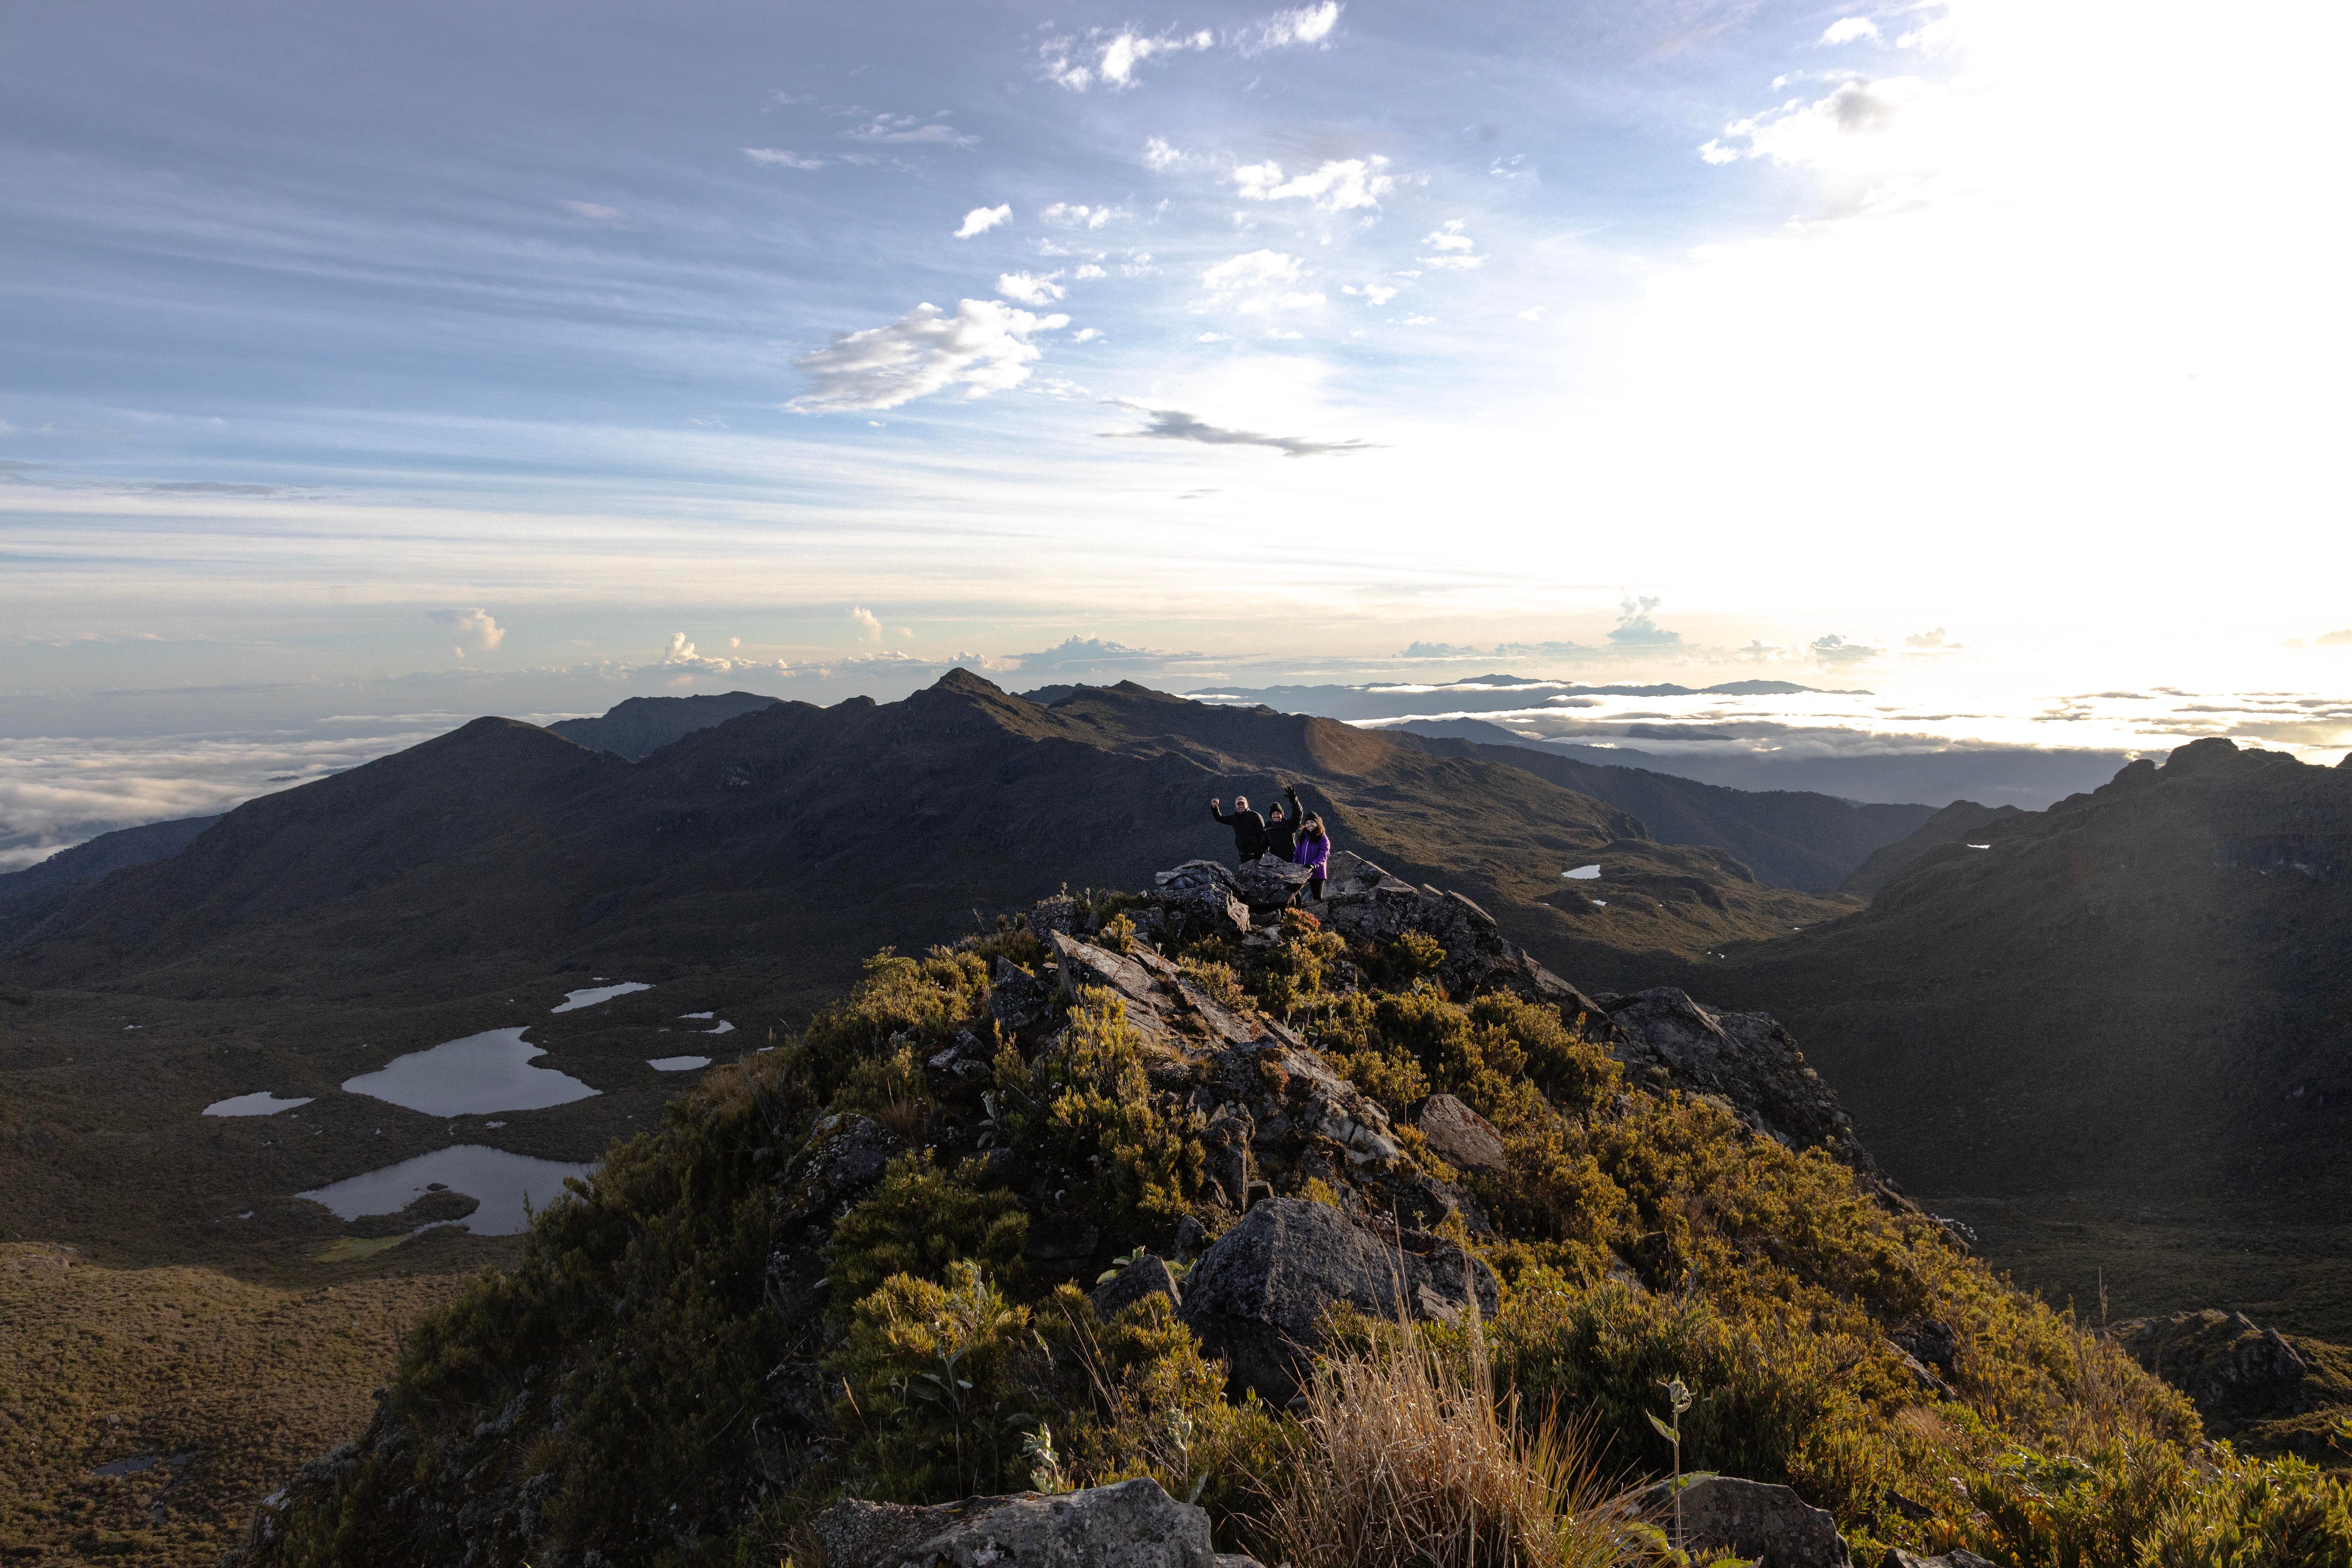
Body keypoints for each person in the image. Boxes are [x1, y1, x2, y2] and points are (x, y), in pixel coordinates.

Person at [1208, 794, 1269, 864]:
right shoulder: (1235, 818)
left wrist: (1263, 850)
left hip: (1257, 854)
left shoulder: (1255, 816)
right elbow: (1220, 819)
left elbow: (1263, 833)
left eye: (1243, 804)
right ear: (1236, 807)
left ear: (1247, 804)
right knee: (1245, 874)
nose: (1241, 806)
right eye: (1239, 804)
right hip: (1243, 854)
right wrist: (1215, 807)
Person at [1293, 812, 1331, 902]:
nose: (1310, 825)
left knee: (1317, 898)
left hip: (1318, 873)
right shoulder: (1303, 837)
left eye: (1312, 822)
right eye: (1307, 823)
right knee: (1294, 892)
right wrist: (1294, 865)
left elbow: (1323, 855)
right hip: (1303, 870)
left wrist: (1313, 865)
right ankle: (1298, 912)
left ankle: (1317, 915)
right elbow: (1297, 853)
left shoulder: (1323, 838)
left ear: (1317, 823)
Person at [1263, 783, 1306, 861]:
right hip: (1276, 863)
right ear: (1271, 816)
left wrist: (1294, 799)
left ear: (1282, 815)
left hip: (1292, 861)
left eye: (1278, 814)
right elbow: (1263, 847)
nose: (1276, 816)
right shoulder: (1268, 830)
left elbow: (1299, 813)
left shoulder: (1289, 825)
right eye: (1274, 814)